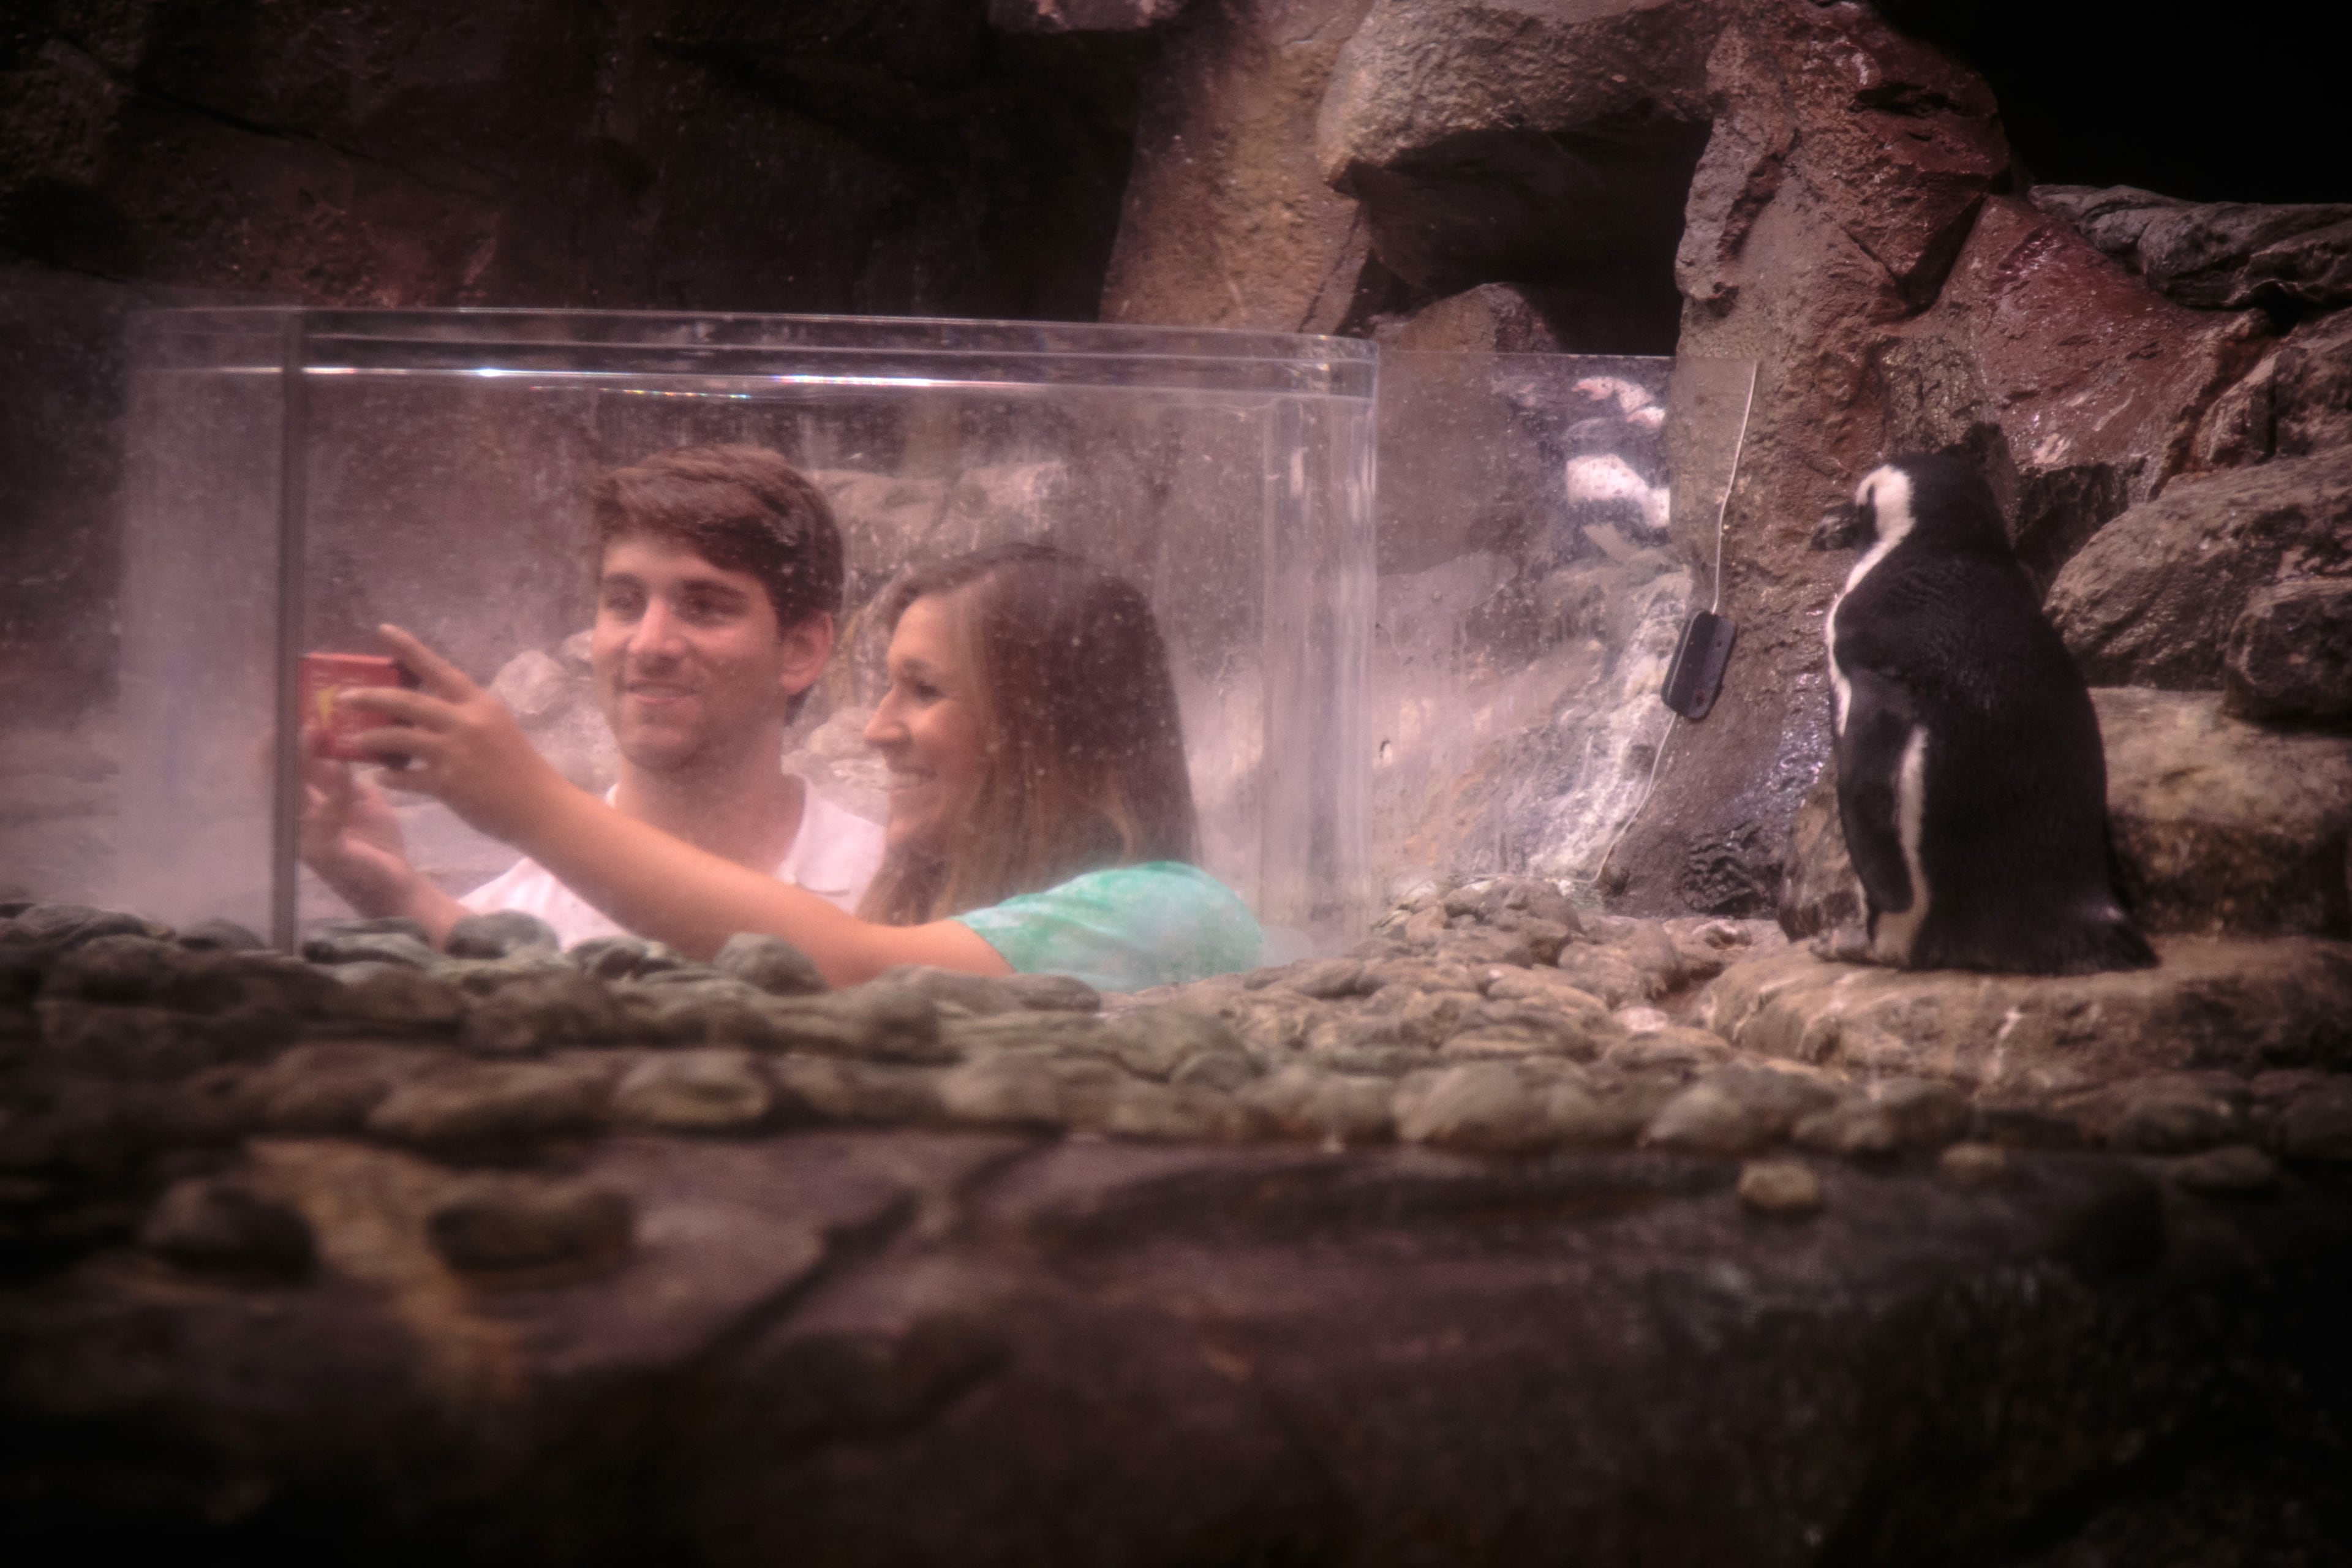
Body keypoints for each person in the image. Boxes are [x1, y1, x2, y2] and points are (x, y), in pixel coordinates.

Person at [334, 541, 1262, 991]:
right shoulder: (952, 910)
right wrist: (408, 900)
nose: (876, 730)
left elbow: (848, 970)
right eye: (622, 601)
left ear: (1052, 731)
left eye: (923, 690)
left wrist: (530, 802)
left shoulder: (1173, 910)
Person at [301, 443, 886, 947]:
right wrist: (398, 895)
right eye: (624, 603)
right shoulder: (501, 920)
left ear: (803, 650)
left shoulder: (899, 893)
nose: (649, 645)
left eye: (705, 607)